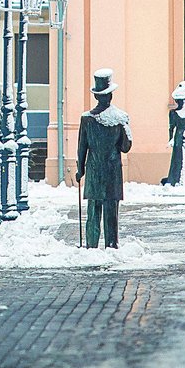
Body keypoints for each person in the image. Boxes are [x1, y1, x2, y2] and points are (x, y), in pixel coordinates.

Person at [76, 69, 132, 248]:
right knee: (111, 211)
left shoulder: (87, 119)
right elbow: (126, 147)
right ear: (111, 95)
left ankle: (91, 245)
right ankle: (112, 244)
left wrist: (80, 170)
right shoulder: (120, 117)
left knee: (93, 210)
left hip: (93, 169)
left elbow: (81, 147)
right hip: (113, 170)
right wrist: (125, 130)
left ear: (96, 96)